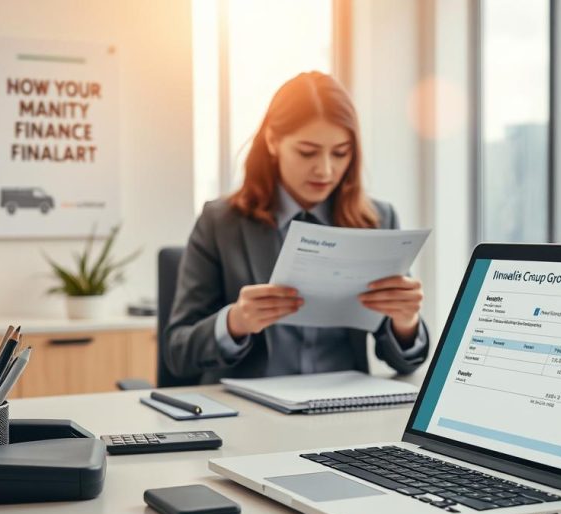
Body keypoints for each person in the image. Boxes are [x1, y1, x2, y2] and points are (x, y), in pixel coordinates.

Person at [164, 71, 429, 384]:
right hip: (251, 413)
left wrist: (405, 321)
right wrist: (235, 322)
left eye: (340, 152)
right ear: (273, 141)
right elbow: (177, 352)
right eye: (307, 152)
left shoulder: (378, 220)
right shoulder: (221, 222)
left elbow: (407, 361)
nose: (326, 169)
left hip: (344, 409)